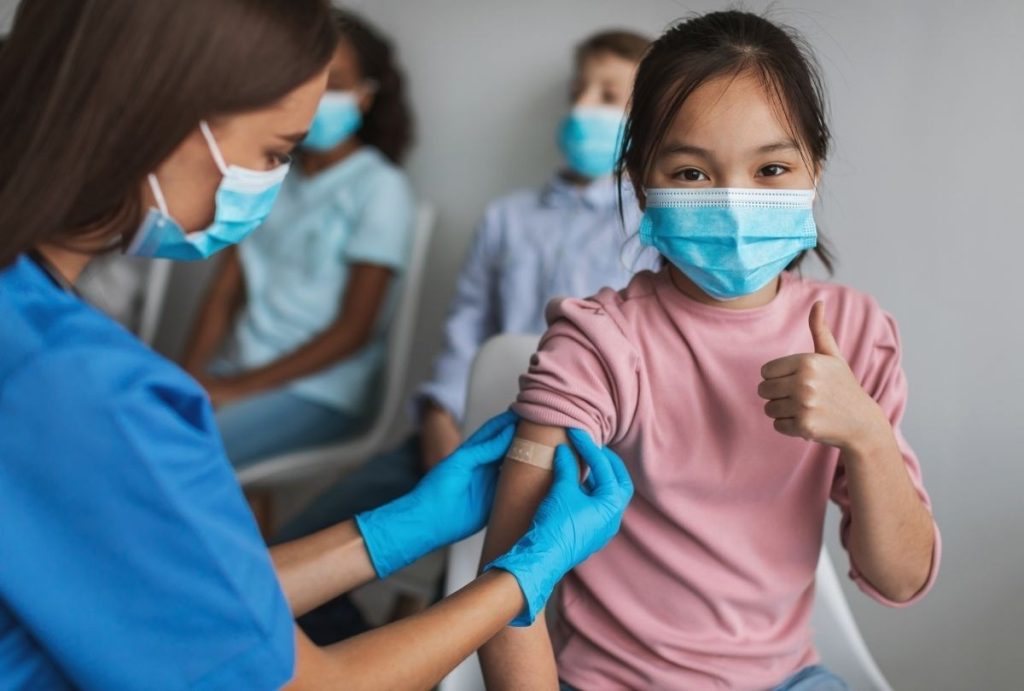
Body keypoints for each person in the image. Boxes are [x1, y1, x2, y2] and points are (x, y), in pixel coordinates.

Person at [0, 2, 632, 689]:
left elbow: (183, 600)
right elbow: (304, 683)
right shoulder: (91, 391)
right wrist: (521, 577)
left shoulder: (32, 325)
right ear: (166, 116)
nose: (274, 181)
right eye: (276, 151)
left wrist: (401, 527)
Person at [479, 11, 942, 690]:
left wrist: (867, 435)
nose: (733, 203)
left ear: (814, 169)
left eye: (772, 167)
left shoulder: (854, 331)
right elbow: (504, 592)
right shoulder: (599, 343)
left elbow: (899, 578)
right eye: (692, 173)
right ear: (641, 184)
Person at [276, 27, 657, 537]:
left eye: (607, 96)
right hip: (471, 429)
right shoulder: (508, 218)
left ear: (646, 119)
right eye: (577, 92)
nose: (581, 108)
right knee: (310, 537)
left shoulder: (651, 230)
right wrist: (440, 415)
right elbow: (466, 325)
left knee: (491, 563)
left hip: (580, 456)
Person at [182, 8, 416, 468]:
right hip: (237, 371)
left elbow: (355, 329)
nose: (319, 96)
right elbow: (223, 294)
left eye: (337, 83)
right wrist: (188, 377)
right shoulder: (269, 178)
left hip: (320, 392)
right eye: (310, 81)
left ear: (364, 97)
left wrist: (237, 390)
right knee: (149, 422)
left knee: (185, 454)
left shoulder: (380, 188)